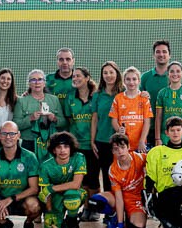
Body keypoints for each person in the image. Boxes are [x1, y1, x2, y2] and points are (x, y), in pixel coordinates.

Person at [88, 132, 148, 228]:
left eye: (122, 147)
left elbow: (155, 160)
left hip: (136, 200)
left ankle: (129, 221)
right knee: (94, 201)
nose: (120, 151)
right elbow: (119, 198)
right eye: (116, 149)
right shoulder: (113, 170)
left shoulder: (140, 158)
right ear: (112, 151)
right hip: (119, 197)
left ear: (128, 147)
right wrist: (120, 223)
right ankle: (114, 216)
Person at [140, 40, 182, 149]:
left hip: (175, 131)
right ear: (153, 55)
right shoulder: (145, 77)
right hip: (150, 129)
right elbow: (137, 100)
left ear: (169, 55)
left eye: (164, 51)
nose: (161, 54)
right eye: (158, 52)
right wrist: (141, 95)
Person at [38, 131, 88, 228]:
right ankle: (62, 222)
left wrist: (52, 188)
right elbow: (46, 193)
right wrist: (49, 212)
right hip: (56, 198)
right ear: (54, 150)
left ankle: (72, 224)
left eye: (66, 146)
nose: (62, 150)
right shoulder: (45, 166)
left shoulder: (79, 158)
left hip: (74, 193)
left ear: (71, 148)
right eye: (59, 147)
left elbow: (76, 184)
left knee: (72, 197)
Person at [64, 66, 101, 201]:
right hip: (77, 145)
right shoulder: (70, 97)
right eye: (73, 76)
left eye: (78, 76)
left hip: (93, 144)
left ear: (87, 78)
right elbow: (69, 120)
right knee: (82, 179)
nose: (75, 78)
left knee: (93, 178)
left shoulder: (96, 96)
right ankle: (86, 207)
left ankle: (95, 206)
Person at [14, 69, 66, 161]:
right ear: (29, 84)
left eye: (40, 79)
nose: (37, 82)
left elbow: (63, 122)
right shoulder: (22, 101)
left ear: (44, 83)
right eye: (33, 80)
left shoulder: (54, 100)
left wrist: (54, 118)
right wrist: (30, 118)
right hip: (29, 143)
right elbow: (16, 125)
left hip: (50, 143)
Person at [90, 61, 123, 191]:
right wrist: (92, 140)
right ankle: (109, 202)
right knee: (106, 175)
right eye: (105, 73)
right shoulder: (97, 95)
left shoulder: (124, 92)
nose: (108, 75)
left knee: (121, 174)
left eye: (111, 72)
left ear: (117, 74)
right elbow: (95, 119)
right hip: (102, 140)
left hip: (121, 141)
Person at [109, 66, 152, 154]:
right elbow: (114, 120)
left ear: (139, 81)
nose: (131, 82)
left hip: (139, 145)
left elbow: (147, 122)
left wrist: (142, 141)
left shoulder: (144, 99)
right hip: (122, 144)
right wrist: (119, 130)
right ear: (124, 81)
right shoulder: (118, 98)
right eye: (128, 79)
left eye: (134, 79)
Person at [154, 61, 182, 146]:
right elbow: (158, 117)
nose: (175, 74)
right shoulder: (162, 93)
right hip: (165, 137)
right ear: (168, 74)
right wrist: (157, 138)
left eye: (178, 71)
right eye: (172, 71)